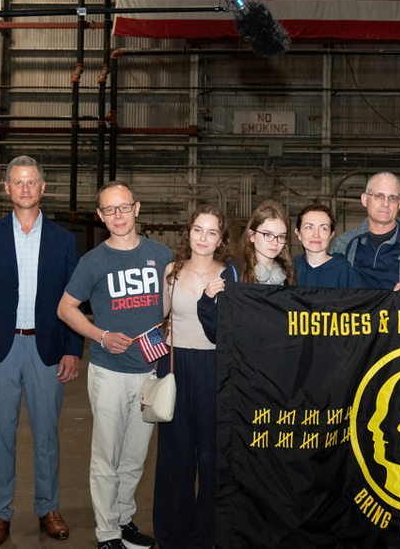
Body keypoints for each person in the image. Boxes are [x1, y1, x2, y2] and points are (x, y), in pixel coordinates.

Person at [0, 156, 83, 549]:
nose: (25, 188)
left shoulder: (65, 241)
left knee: (47, 435)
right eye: (18, 182)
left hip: (48, 350)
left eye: (32, 182)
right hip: (0, 350)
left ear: (43, 188)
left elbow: (76, 301)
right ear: (7, 188)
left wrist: (73, 349)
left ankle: (49, 508)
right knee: (0, 435)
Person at [58, 182, 168, 549]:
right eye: (109, 210)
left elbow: (173, 304)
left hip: (151, 373)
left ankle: (123, 521)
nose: (118, 216)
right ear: (101, 216)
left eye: (124, 208)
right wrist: (100, 335)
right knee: (106, 458)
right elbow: (65, 308)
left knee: (135, 459)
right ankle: (107, 534)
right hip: (109, 373)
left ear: (137, 209)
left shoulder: (161, 253)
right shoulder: (93, 261)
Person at [153, 205, 233, 549]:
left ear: (221, 239)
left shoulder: (230, 276)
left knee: (212, 455)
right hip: (174, 364)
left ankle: (207, 533)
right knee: (176, 455)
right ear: (188, 233)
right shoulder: (172, 271)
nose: (203, 238)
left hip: (213, 368)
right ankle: (173, 534)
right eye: (198, 230)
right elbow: (161, 320)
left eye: (212, 232)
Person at [329, 172, 400, 293]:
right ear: (364, 199)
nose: (386, 203)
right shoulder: (343, 244)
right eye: (379, 196)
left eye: (392, 198)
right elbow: (328, 293)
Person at [293, 203, 359, 287]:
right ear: (298, 233)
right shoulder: (291, 269)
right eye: (309, 227)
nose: (316, 235)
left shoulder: (343, 269)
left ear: (331, 235)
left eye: (323, 228)